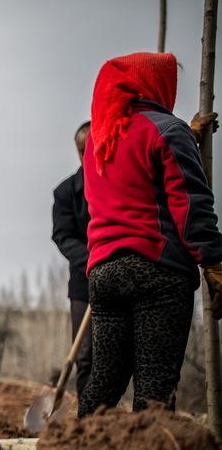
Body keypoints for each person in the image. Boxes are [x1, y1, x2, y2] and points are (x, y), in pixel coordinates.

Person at [80, 52, 222, 418]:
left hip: (103, 274)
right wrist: (214, 260)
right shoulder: (167, 131)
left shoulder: (100, 136)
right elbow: (190, 204)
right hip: (156, 272)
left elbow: (134, 165)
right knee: (154, 390)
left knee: (104, 383)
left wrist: (187, 136)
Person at [51, 121, 93, 395]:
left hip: (123, 278)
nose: (86, 155)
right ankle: (87, 423)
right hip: (84, 284)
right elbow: (63, 237)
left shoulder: (121, 184)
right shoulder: (66, 192)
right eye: (82, 150)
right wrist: (94, 260)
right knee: (86, 355)